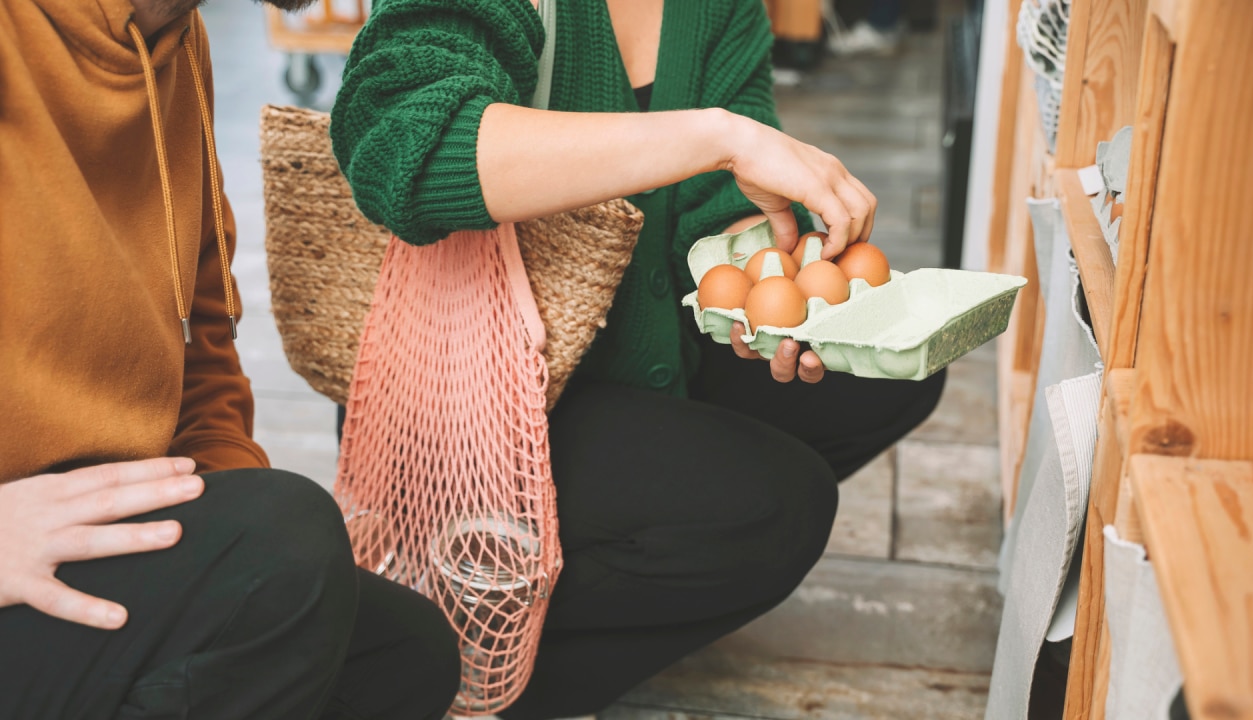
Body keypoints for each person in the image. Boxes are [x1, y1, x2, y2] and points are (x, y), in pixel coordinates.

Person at [330, 0, 945, 718]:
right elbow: (403, 143)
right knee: (778, 510)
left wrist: (761, 275)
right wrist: (716, 137)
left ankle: (555, 596)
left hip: (633, 356)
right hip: (469, 389)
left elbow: (717, 202)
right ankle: (452, 657)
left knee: (889, 374)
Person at [0, 1, 461, 718]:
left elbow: (202, 340)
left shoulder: (177, 43)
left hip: (97, 529)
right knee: (290, 553)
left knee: (401, 653)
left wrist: (238, 551)